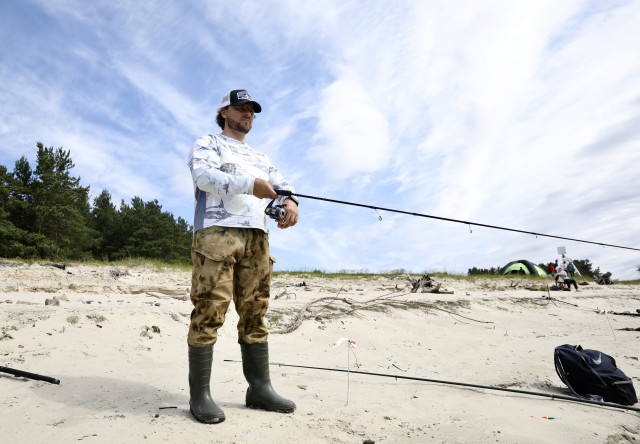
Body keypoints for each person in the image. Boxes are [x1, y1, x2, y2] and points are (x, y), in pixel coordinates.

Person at [187, 89, 299, 424]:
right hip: (217, 234)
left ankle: (259, 389)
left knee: (256, 311)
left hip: (257, 238)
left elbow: (284, 187)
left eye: (251, 109)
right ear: (224, 112)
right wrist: (251, 185)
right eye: (240, 108)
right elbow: (204, 177)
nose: (247, 113)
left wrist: (291, 203)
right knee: (210, 308)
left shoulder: (262, 157)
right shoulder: (209, 143)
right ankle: (200, 397)